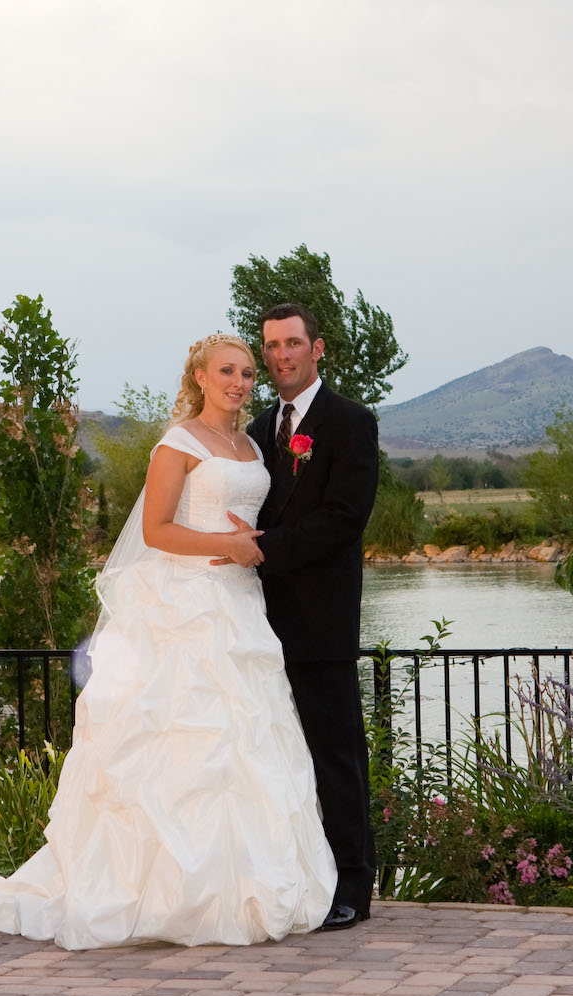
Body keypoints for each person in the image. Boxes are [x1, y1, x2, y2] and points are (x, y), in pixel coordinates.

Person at [0, 334, 336, 949]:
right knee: (179, 741)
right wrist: (227, 546)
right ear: (200, 377)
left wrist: (253, 548)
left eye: (246, 373)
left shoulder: (251, 444)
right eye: (226, 372)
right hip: (184, 606)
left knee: (248, 741)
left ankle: (241, 885)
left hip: (240, 606)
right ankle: (163, 893)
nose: (239, 383)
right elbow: (156, 531)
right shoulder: (178, 443)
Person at [243, 303, 380, 931]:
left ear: (316, 348)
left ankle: (353, 884)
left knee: (335, 754)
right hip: (254, 622)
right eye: (272, 346)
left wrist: (262, 548)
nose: (282, 356)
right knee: (274, 757)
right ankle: (297, 879)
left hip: (321, 622)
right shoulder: (255, 429)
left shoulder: (350, 422)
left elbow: (344, 518)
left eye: (292, 343)